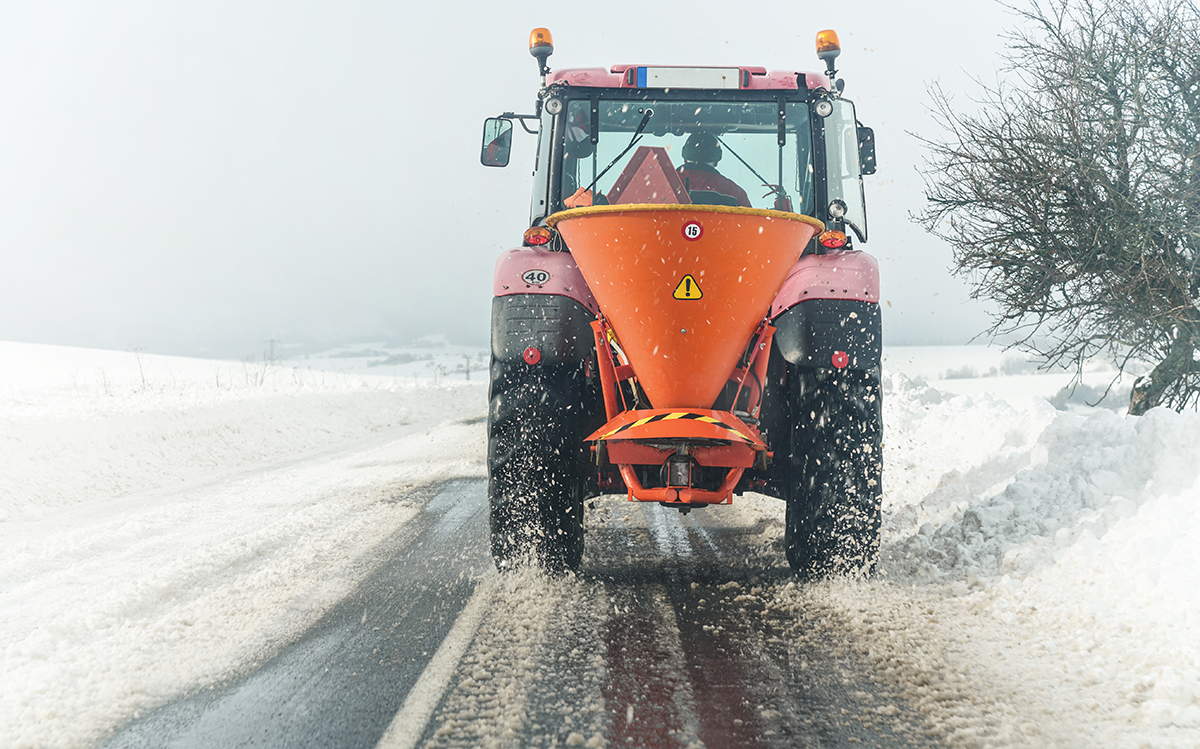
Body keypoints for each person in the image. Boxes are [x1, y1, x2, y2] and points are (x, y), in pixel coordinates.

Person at [677, 132, 751, 208]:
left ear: (684, 159)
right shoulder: (734, 192)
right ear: (716, 162)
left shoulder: (667, 184)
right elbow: (750, 218)